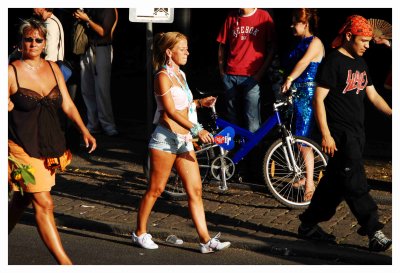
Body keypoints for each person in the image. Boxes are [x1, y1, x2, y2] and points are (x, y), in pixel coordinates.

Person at [297, 15, 392, 252]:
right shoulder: (333, 62)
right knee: (356, 182)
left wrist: (393, 113)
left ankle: (308, 224)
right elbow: (318, 100)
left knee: (335, 184)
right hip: (339, 136)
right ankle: (373, 230)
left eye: (369, 41)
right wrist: (326, 135)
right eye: (363, 41)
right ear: (349, 37)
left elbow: (373, 95)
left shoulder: (361, 63)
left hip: (358, 134)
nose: (367, 46)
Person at [8, 18, 97, 264]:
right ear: (20, 42)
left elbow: (67, 104)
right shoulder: (11, 71)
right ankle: (66, 265)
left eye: (38, 39)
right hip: (20, 146)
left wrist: (84, 130)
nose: (33, 43)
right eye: (28, 39)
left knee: (23, 199)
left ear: (45, 43)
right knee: (44, 202)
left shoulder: (54, 68)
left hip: (47, 143)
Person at [132, 32, 231, 254]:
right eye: (182, 48)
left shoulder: (181, 75)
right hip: (165, 140)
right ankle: (139, 232)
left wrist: (198, 102)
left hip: (184, 140)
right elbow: (169, 112)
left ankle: (205, 241)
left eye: (187, 48)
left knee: (195, 190)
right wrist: (197, 129)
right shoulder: (162, 76)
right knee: (156, 190)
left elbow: (183, 106)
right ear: (169, 52)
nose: (187, 52)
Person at [281, 8, 324, 201]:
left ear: (305, 23)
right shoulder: (301, 42)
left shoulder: (315, 42)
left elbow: (305, 63)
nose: (291, 25)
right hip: (296, 93)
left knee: (303, 139)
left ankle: (310, 183)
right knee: (296, 137)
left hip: (306, 93)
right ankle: (305, 176)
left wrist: (290, 78)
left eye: (295, 22)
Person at [217, 8, 276, 133]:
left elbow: (272, 47)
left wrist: (260, 74)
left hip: (252, 76)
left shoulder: (263, 16)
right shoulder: (231, 16)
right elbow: (222, 45)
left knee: (252, 120)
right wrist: (222, 71)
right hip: (230, 75)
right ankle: (234, 152)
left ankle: (254, 152)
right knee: (231, 119)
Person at [73, 8, 118, 136]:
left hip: (102, 49)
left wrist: (87, 19)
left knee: (102, 89)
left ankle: (108, 125)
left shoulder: (108, 9)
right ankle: (93, 124)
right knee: (86, 89)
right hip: (88, 49)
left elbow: (104, 32)